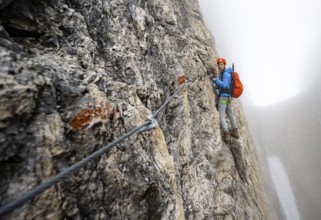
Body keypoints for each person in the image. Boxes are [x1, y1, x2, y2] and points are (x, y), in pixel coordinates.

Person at [213, 57, 240, 142]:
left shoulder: (226, 74)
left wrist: (216, 80)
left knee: (221, 116)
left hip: (224, 98)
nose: (220, 66)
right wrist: (217, 85)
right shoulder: (224, 73)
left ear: (224, 65)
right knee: (230, 114)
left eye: (221, 65)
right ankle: (235, 132)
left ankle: (226, 134)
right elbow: (223, 86)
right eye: (219, 65)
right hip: (227, 97)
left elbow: (225, 85)